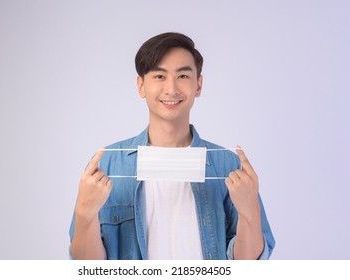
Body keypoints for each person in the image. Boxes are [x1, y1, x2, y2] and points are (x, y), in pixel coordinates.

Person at [69, 32, 275, 260]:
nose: (171, 88)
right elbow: (86, 267)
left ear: (198, 85)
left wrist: (249, 213)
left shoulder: (228, 166)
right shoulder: (108, 164)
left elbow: (249, 265)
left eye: (183, 76)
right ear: (141, 86)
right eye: (159, 76)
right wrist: (84, 214)